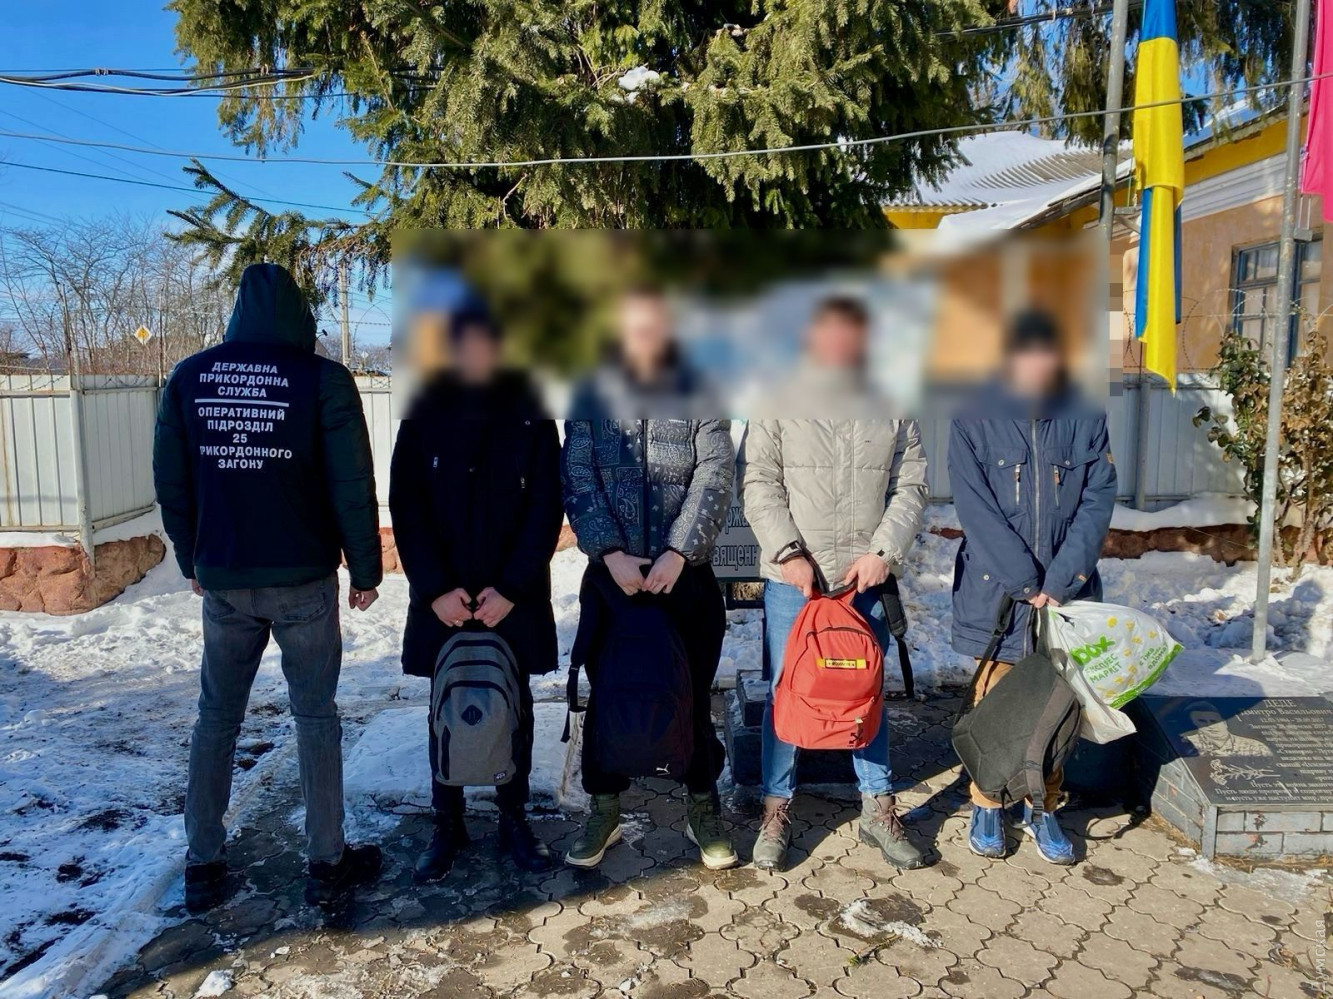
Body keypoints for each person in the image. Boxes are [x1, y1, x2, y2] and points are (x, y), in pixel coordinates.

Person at [153, 263, 384, 911]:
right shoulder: (323, 381)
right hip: (303, 580)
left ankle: (202, 863)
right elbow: (351, 484)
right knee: (315, 717)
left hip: (225, 580)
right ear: (299, 315)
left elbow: (172, 482)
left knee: (216, 717)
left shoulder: (190, 377)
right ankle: (326, 862)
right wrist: (365, 570)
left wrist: (193, 560)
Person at [739, 295, 930, 873]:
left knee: (865, 691)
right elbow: (759, 482)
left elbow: (910, 485)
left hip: (863, 582)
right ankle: (776, 809)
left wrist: (883, 553)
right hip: (796, 584)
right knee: (787, 693)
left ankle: (878, 806)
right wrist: (788, 554)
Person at [560, 285, 737, 871]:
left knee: (692, 695)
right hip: (612, 582)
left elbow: (715, 472)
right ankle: (604, 808)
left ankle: (701, 805)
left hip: (685, 579)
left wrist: (678, 553)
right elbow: (577, 473)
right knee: (609, 695)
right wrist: (610, 554)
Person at [389, 305, 564, 881]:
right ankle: (448, 819)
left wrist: (511, 588)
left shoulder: (532, 413)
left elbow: (545, 506)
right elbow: (407, 506)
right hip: (443, 598)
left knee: (513, 704)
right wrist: (435, 589)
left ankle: (513, 815)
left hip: (512, 596)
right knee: (447, 701)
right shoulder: (425, 412)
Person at [948, 309, 1117, 865]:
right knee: (996, 700)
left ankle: (1043, 804)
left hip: (1065, 596)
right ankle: (986, 802)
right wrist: (1025, 581)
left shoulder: (1084, 416)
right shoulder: (973, 417)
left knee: (1058, 704)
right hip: (999, 593)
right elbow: (975, 509)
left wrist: (1061, 581)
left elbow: (1096, 501)